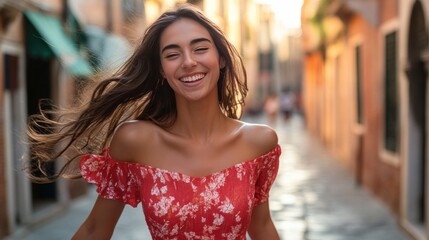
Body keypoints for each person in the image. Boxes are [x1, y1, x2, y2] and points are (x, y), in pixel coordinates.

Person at [26, 4, 281, 239]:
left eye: (200, 48)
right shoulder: (135, 140)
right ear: (161, 69)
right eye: (172, 54)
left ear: (221, 59)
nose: (189, 62)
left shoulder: (259, 142)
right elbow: (94, 230)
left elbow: (262, 226)